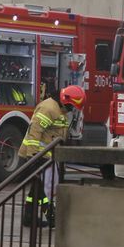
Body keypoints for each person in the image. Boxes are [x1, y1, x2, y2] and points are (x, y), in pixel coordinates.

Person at [19, 85, 86, 228]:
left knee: (37, 189)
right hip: (39, 155)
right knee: (47, 188)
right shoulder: (49, 109)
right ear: (65, 101)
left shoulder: (59, 109)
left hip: (48, 156)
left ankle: (29, 217)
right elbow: (34, 132)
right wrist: (32, 156)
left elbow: (57, 133)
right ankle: (50, 215)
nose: (71, 110)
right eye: (71, 106)